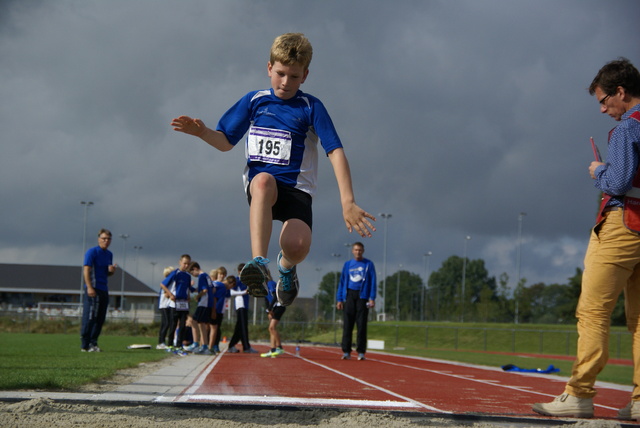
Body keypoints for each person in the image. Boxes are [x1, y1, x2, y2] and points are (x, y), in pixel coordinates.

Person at [171, 32, 376, 308]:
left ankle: (286, 267)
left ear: (305, 75)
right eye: (280, 73)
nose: (285, 82)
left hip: (297, 191)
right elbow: (225, 143)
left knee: (298, 245)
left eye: (294, 76)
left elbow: (335, 152)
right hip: (262, 191)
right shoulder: (255, 101)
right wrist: (203, 132)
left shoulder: (311, 106)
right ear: (269, 68)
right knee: (264, 180)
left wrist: (347, 201)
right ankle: (259, 264)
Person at [533, 58, 640, 420]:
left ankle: (579, 393)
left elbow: (619, 182)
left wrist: (600, 172)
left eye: (604, 99)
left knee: (594, 312)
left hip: (622, 226)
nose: (602, 108)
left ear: (621, 92)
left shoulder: (628, 128)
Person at [336, 242, 376, 361]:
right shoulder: (347, 265)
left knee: (361, 325)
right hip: (349, 295)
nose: (358, 252)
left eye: (360, 250)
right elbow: (342, 282)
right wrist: (339, 299)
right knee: (347, 324)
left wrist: (372, 298)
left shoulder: (368, 264)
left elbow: (373, 281)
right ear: (352, 251)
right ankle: (346, 351)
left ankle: (361, 352)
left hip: (362, 296)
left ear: (363, 251)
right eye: (356, 250)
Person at [81, 228, 117, 352]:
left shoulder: (109, 254)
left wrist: (111, 271)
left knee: (100, 318)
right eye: (104, 239)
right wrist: (89, 287)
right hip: (93, 288)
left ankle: (94, 343)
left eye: (108, 239)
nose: (106, 241)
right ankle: (85, 344)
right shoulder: (92, 252)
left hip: (103, 289)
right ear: (98, 239)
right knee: (91, 316)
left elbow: (107, 273)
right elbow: (86, 270)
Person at [160, 254, 193, 350]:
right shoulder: (175, 273)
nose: (186, 266)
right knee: (173, 324)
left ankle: (179, 344)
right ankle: (170, 344)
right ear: (180, 262)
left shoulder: (187, 276)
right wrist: (170, 294)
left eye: (188, 264)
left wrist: (188, 296)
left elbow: (187, 288)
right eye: (184, 263)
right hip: (174, 303)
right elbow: (163, 284)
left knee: (182, 325)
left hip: (183, 303)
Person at [227, 265, 258, 354]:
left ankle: (232, 345)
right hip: (240, 305)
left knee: (240, 327)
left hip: (245, 305)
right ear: (239, 271)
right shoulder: (237, 280)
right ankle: (246, 347)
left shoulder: (247, 281)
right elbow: (231, 292)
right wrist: (244, 292)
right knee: (243, 327)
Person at [187, 261, 214, 355]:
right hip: (208, 303)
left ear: (195, 269)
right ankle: (204, 346)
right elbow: (210, 288)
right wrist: (192, 288)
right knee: (201, 324)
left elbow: (204, 290)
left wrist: (198, 296)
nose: (193, 275)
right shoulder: (207, 276)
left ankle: (196, 343)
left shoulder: (201, 276)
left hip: (203, 303)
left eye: (192, 273)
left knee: (194, 321)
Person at [261, 272, 286, 358]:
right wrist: (268, 311)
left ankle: (279, 347)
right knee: (271, 329)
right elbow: (266, 300)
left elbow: (275, 296)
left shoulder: (270, 283)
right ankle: (273, 349)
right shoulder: (263, 287)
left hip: (279, 306)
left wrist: (270, 308)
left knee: (272, 327)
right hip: (273, 308)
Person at [210, 267, 228, 354]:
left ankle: (215, 344)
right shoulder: (214, 284)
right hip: (214, 308)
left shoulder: (224, 286)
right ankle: (210, 345)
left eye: (223, 275)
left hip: (220, 309)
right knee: (212, 328)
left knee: (218, 328)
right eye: (220, 274)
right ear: (217, 275)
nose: (221, 276)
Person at [156, 266, 175, 350]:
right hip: (163, 305)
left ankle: (162, 341)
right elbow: (166, 294)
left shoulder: (170, 284)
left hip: (167, 305)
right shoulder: (165, 283)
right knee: (166, 323)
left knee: (167, 323)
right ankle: (161, 342)